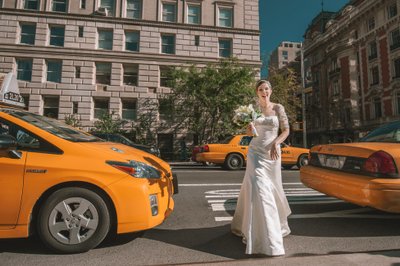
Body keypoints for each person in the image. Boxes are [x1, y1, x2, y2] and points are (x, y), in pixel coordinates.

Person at [231, 79, 291, 256]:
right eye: (260, 89)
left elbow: (286, 130)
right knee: (259, 187)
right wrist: (249, 128)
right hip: (255, 152)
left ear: (270, 90)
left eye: (266, 89)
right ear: (257, 92)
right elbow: (250, 134)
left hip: (272, 154)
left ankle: (270, 226)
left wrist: (276, 143)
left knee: (272, 189)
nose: (264, 91)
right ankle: (264, 236)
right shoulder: (253, 109)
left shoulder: (278, 108)